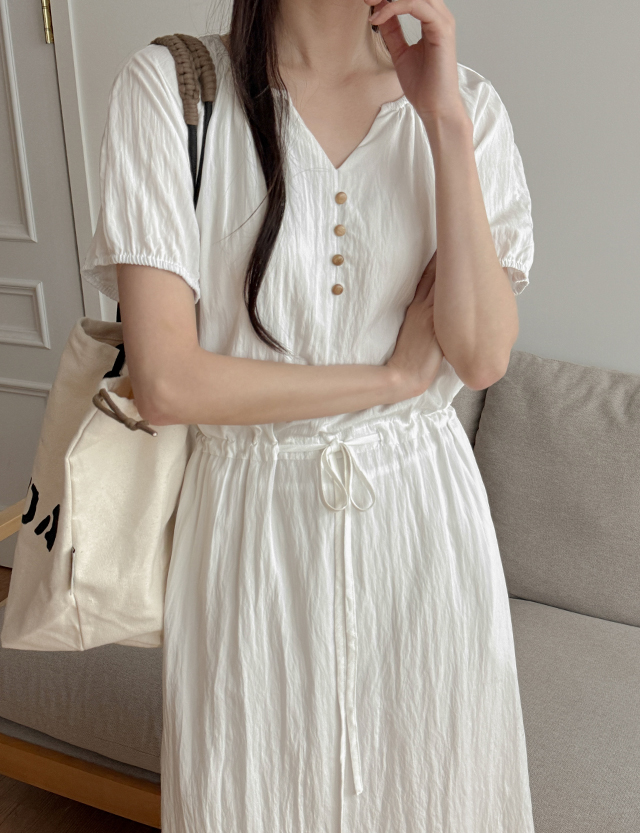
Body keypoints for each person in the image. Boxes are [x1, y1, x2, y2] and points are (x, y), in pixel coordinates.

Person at [81, 0, 536, 830]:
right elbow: (168, 383)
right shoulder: (173, 90)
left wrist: (443, 120)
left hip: (422, 527)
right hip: (251, 525)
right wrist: (390, 379)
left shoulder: (466, 103)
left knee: (434, 791)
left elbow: (479, 355)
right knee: (253, 793)